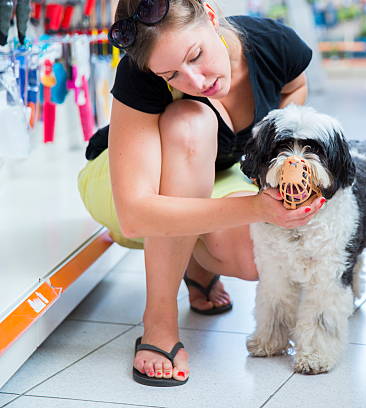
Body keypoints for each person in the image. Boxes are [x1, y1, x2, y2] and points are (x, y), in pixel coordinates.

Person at [77, 0, 325, 387]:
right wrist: (257, 206)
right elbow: (137, 214)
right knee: (189, 119)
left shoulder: (275, 44)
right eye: (171, 74)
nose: (195, 81)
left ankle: (194, 263)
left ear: (210, 16)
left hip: (212, 171)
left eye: (196, 55)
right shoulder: (139, 75)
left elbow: (296, 85)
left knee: (253, 257)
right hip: (123, 182)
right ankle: (158, 321)